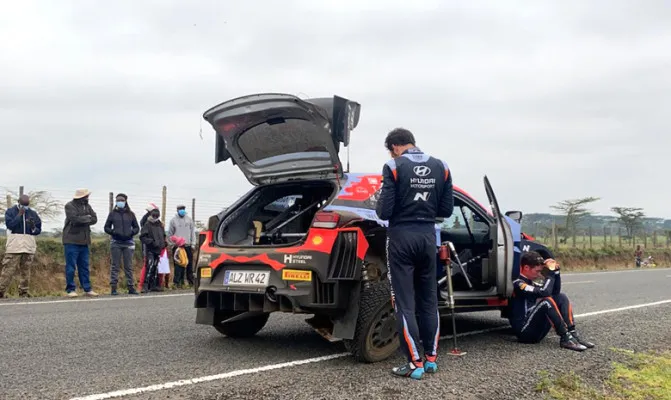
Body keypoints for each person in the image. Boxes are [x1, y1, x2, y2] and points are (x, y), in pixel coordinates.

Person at [375, 128, 454, 380]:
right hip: (428, 237)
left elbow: (383, 211)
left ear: (394, 147)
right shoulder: (441, 166)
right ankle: (431, 358)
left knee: (404, 303)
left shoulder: (393, 166)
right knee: (429, 301)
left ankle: (414, 363)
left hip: (401, 238)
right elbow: (447, 209)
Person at [509, 251, 595, 352]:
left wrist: (556, 273)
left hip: (536, 329)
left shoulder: (531, 282)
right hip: (524, 332)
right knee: (546, 301)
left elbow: (555, 292)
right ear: (526, 268)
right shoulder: (518, 283)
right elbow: (544, 292)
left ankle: (573, 334)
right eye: (537, 271)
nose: (539, 274)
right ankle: (565, 337)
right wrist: (550, 275)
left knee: (561, 297)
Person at [0, 194, 42, 298]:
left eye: (27, 205)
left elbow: (37, 230)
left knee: (26, 270)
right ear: (19, 202)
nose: (25, 207)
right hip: (14, 244)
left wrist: (33, 227)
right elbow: (10, 225)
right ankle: (1, 291)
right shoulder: (10, 211)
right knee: (8, 269)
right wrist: (19, 215)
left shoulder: (33, 213)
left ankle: (23, 292)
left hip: (28, 243)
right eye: (23, 205)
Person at [62, 189, 99, 297]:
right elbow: (74, 219)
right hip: (71, 241)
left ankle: (87, 289)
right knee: (71, 267)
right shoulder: (69, 206)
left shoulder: (88, 206)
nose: (88, 197)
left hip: (85, 241)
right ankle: (71, 289)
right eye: (86, 196)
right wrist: (87, 218)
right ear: (81, 197)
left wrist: (84, 218)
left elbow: (95, 219)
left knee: (84, 266)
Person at [103, 193, 140, 295]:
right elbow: (106, 227)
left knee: (128, 266)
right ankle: (114, 288)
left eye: (122, 200)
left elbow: (137, 228)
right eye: (118, 200)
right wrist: (114, 232)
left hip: (128, 243)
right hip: (116, 243)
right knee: (115, 266)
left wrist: (131, 232)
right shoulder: (112, 214)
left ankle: (131, 287)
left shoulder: (131, 214)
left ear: (125, 201)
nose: (120, 202)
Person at [168, 204, 196, 287]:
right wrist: (172, 244)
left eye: (183, 208)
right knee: (178, 265)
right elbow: (170, 234)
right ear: (177, 210)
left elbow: (192, 233)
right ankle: (177, 283)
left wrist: (193, 244)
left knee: (189, 264)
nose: (182, 210)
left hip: (187, 245)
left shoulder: (189, 220)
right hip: (177, 247)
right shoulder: (173, 221)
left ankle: (190, 282)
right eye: (180, 209)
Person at [140, 207, 166, 293]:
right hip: (150, 249)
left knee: (156, 266)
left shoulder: (160, 225)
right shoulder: (147, 224)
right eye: (153, 215)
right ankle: (145, 285)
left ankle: (154, 285)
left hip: (158, 249)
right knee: (149, 265)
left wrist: (164, 243)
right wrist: (151, 242)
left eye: (157, 215)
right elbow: (142, 237)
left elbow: (163, 235)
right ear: (150, 215)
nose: (155, 217)